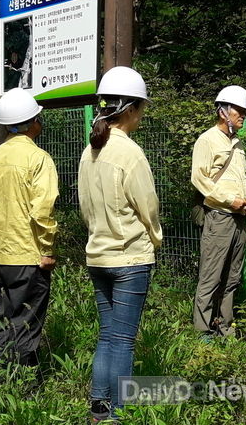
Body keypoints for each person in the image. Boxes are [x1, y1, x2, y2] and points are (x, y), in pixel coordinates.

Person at [77, 66, 162, 422]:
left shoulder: (89, 151)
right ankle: (119, 415)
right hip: (129, 259)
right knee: (124, 342)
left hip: (98, 256)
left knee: (107, 336)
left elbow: (84, 207)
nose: (141, 115)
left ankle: (100, 409)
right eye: (141, 107)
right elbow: (149, 207)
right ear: (129, 109)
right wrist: (155, 239)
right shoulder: (130, 154)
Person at [0, 87, 58, 367]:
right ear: (33, 122)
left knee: (4, 319)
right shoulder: (39, 159)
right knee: (26, 323)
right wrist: (46, 249)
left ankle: (0, 376)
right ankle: (22, 387)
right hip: (29, 257)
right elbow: (42, 210)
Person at [191, 85, 246, 338]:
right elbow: (199, 179)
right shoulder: (207, 140)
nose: (242, 116)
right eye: (239, 111)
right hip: (219, 216)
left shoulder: (237, 144)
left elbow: (242, 178)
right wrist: (230, 200)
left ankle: (225, 327)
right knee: (211, 275)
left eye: (244, 112)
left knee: (232, 276)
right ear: (223, 111)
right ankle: (202, 331)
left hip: (239, 216)